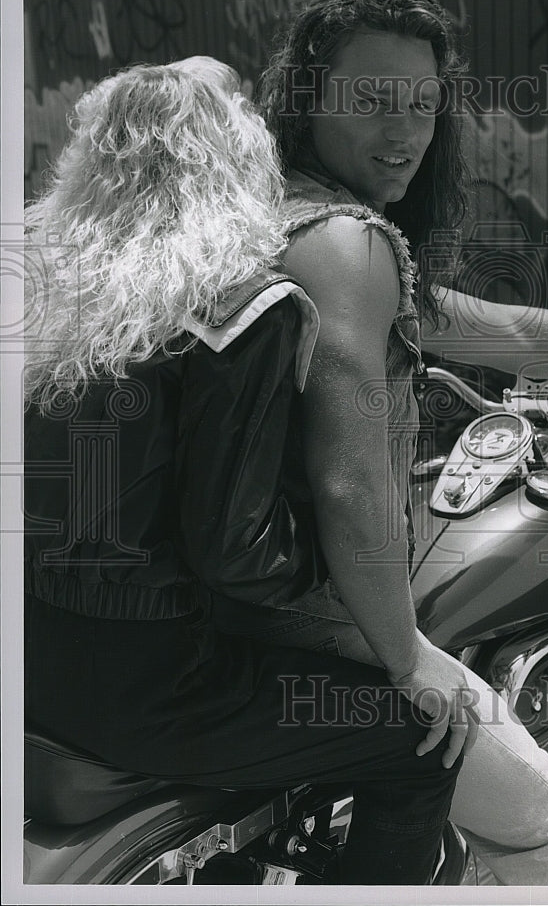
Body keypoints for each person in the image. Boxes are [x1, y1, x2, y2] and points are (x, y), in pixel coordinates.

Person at [244, 0, 548, 886]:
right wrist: (407, 660)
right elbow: (352, 484)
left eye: (425, 106)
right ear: (310, 96)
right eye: (375, 101)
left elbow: (500, 329)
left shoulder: (264, 213)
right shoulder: (346, 242)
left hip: (221, 612)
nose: (406, 134)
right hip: (318, 624)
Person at [22, 56, 464, 886]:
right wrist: (332, 566)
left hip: (28, 655)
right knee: (419, 741)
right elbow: (236, 552)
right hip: (152, 691)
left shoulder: (45, 285)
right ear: (237, 158)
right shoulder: (240, 309)